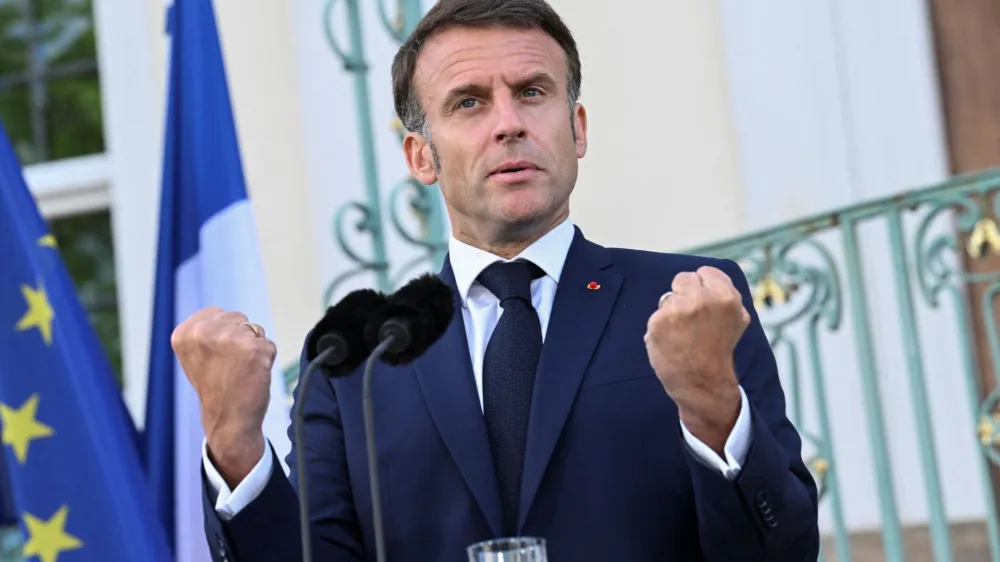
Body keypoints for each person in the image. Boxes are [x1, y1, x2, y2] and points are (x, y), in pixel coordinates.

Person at [171, 0, 820, 559]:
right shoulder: (352, 360)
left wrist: (712, 406)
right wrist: (235, 446)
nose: (508, 123)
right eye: (469, 102)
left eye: (532, 92)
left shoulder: (690, 307)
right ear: (421, 156)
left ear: (577, 128)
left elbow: (784, 550)